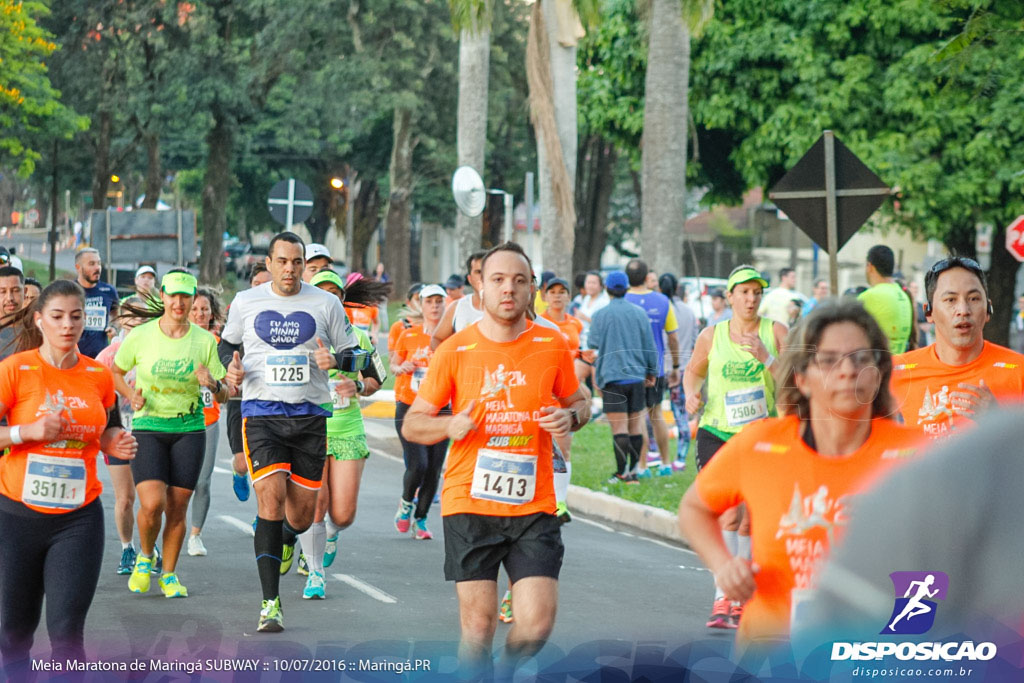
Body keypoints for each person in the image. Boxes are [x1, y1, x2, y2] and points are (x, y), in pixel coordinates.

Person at [677, 300, 922, 646]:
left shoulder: (919, 455)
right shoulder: (760, 444)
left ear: (879, 372)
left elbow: (951, 552)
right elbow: (693, 509)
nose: (848, 370)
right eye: (829, 359)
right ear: (802, 378)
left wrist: (912, 632)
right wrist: (724, 566)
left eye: (862, 358)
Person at [401, 242, 590, 676]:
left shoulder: (551, 342)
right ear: (480, 287)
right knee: (479, 625)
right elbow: (413, 424)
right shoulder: (456, 350)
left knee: (537, 624)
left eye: (519, 281)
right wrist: (448, 427)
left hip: (534, 503)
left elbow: (580, 403)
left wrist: (569, 416)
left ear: (532, 291)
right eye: (499, 280)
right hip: (470, 503)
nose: (509, 289)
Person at [219, 231, 360, 632]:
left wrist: (335, 358)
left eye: (297, 262)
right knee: (269, 502)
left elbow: (359, 356)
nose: (290, 269)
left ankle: (286, 535)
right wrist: (232, 366)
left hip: (311, 418)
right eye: (282, 261)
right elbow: (226, 346)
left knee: (299, 517)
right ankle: (270, 604)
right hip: (262, 414)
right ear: (268, 264)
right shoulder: (246, 302)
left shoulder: (325, 303)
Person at [0, 280, 137, 674]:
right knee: (14, 632)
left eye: (76, 316)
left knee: (66, 632)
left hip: (77, 519)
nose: (68, 325)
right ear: (40, 320)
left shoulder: (97, 375)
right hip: (17, 517)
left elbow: (107, 427)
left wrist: (115, 442)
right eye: (57, 317)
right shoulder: (15, 370)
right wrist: (25, 432)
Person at [683, 265, 788, 629]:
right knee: (728, 514)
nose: (751, 298)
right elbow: (693, 372)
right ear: (729, 297)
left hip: (761, 436)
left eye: (756, 292)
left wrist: (766, 357)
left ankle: (741, 596)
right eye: (743, 292)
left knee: (749, 521)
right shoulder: (712, 335)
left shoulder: (775, 332)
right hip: (718, 432)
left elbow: (792, 381)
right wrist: (690, 394)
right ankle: (722, 596)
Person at [113, 272, 228, 598]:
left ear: (193, 300)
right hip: (150, 427)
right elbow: (116, 371)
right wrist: (130, 395)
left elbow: (226, 393)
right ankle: (145, 557)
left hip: (189, 431)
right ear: (163, 296)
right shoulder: (143, 335)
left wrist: (214, 384)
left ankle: (169, 575)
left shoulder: (205, 341)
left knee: (177, 507)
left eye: (185, 297)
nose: (179, 303)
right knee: (151, 504)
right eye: (173, 296)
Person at [299, 270, 385, 599]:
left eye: (335, 293)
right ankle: (316, 573)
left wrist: (358, 385)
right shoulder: (298, 336)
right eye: (322, 292)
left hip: (347, 428)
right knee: (314, 507)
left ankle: (333, 533)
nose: (329, 299)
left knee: (343, 514)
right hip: (310, 428)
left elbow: (375, 379)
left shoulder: (358, 338)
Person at [890, 255, 1024, 441]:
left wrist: (997, 419)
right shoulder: (895, 372)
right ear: (928, 312)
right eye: (950, 300)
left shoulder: (1019, 371)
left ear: (988, 310)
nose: (963, 310)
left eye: (974, 298)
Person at [588, 271, 659, 483]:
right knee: (635, 427)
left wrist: (596, 378)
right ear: (627, 288)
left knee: (619, 429)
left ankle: (621, 473)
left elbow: (593, 347)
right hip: (636, 377)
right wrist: (651, 372)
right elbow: (649, 346)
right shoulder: (639, 313)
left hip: (612, 377)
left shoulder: (599, 315)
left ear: (607, 289)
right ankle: (634, 472)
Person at [391, 284, 449, 540]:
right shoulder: (409, 334)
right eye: (430, 301)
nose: (435, 306)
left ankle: (421, 520)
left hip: (442, 409)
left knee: (434, 467)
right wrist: (401, 366)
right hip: (410, 407)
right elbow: (393, 364)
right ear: (421, 305)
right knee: (419, 464)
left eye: (439, 301)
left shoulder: (453, 338)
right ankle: (406, 504)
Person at [95, 297, 148, 575]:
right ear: (121, 320)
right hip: (117, 432)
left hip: (152, 431)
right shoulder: (107, 356)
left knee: (152, 500)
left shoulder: (157, 350)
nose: (137, 321)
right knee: (125, 498)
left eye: (143, 316)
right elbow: (96, 392)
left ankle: (150, 549)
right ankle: (128, 549)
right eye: (132, 315)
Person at [624, 259, 681, 477]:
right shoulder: (662, 301)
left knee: (636, 417)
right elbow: (673, 338)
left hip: (631, 369)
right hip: (655, 368)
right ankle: (666, 463)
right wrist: (675, 365)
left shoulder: (622, 301)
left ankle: (643, 465)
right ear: (648, 276)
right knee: (657, 415)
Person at [540, 277, 588, 519]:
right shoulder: (538, 323)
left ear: (569, 297)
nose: (557, 296)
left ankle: (559, 504)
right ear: (544, 296)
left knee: (563, 448)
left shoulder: (576, 325)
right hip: (542, 391)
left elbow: (579, 356)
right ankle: (540, 496)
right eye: (553, 292)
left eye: (562, 292)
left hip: (566, 393)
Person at [186, 287, 228, 557]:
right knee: (172, 485)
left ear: (212, 313)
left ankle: (195, 535)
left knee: (202, 481)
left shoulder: (218, 342)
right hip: (178, 418)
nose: (200, 314)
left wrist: (212, 381)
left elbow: (225, 388)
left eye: (204, 309)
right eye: (195, 309)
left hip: (208, 419)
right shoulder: (176, 338)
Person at [225, 263, 273, 503]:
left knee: (270, 468)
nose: (262, 290)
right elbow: (223, 347)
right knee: (244, 462)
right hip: (241, 395)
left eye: (267, 284)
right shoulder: (240, 309)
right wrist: (230, 368)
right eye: (257, 284)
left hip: (273, 398)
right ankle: (238, 472)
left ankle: (264, 514)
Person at [661, 274, 697, 470]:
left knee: (654, 412)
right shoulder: (688, 312)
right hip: (683, 368)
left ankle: (654, 453)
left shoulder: (659, 310)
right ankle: (681, 458)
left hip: (660, 368)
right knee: (681, 414)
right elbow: (694, 340)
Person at [858, 245, 913, 354]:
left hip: (877, 365)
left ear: (870, 266)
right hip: (899, 364)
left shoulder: (869, 296)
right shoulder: (903, 294)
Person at [432, 251, 486, 349]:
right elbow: (436, 338)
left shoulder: (507, 306)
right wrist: (448, 362)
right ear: (469, 279)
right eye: (478, 272)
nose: (483, 276)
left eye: (487, 271)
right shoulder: (457, 307)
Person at [74, 247, 120, 358]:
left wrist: (114, 327)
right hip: (74, 356)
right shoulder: (69, 290)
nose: (97, 268)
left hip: (100, 357)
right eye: (91, 264)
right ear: (78, 267)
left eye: (99, 263)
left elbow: (116, 314)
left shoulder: (109, 291)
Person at [0, 266, 25, 361]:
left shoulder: (36, 330)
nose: (9, 298)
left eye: (15, 291)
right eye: (2, 292)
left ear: (25, 292)